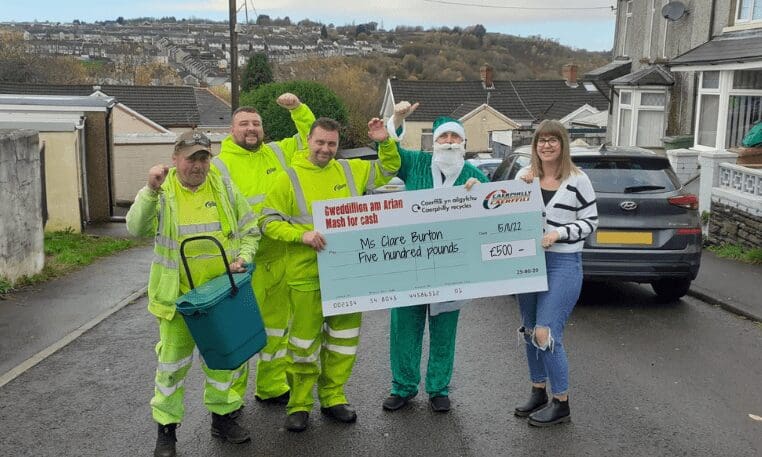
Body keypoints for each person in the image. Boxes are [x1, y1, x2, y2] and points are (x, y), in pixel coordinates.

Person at [259, 117, 400, 432]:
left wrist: (384, 140)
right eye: (320, 142)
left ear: (338, 145)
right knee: (303, 344)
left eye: (331, 144)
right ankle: (299, 404)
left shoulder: (351, 170)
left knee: (342, 341)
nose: (325, 149)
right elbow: (267, 221)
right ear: (309, 141)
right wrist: (301, 235)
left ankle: (333, 396)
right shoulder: (288, 178)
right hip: (305, 276)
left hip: (347, 275)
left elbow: (390, 167)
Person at [126, 131, 261, 457]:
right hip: (179, 302)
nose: (198, 166)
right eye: (191, 158)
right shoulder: (162, 190)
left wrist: (244, 257)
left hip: (219, 299)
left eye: (203, 158)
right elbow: (136, 228)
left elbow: (250, 229)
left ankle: (223, 417)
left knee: (224, 364)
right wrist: (150, 190)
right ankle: (166, 431)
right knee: (171, 368)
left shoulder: (223, 186)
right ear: (175, 159)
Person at [381, 101, 488, 414]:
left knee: (444, 330)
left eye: (455, 138)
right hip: (411, 262)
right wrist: (396, 119)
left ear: (463, 143)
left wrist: (481, 194)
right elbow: (390, 153)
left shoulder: (474, 174)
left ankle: (439, 388)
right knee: (404, 327)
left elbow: (498, 209)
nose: (450, 142)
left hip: (452, 266)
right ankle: (402, 387)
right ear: (435, 141)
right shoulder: (416, 163)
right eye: (444, 137)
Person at [212, 93, 315, 406]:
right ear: (232, 130)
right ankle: (230, 399)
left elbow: (309, 137)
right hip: (243, 264)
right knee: (240, 332)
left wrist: (298, 109)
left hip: (279, 257)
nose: (251, 129)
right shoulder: (219, 166)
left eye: (256, 123)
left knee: (276, 329)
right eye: (244, 124)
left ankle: (271, 386)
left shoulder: (277, 153)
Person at [513, 119, 598, 426]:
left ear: (563, 144)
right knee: (529, 330)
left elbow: (591, 222)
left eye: (552, 140)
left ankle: (561, 402)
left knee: (545, 332)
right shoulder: (525, 177)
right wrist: (517, 189)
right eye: (541, 140)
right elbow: (502, 213)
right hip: (528, 263)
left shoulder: (578, 180)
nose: (546, 145)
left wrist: (558, 234)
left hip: (563, 263)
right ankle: (538, 390)